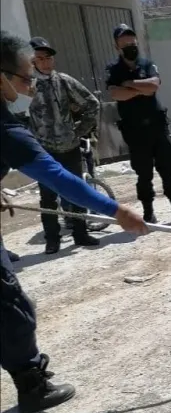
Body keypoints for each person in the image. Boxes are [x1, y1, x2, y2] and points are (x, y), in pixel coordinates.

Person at [1, 30, 148, 413]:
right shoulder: (6, 131)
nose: (30, 83)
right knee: (11, 308)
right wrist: (116, 211)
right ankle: (32, 386)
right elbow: (59, 178)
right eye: (23, 76)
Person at [106, 24, 171, 224]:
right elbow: (115, 94)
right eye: (124, 42)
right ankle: (148, 213)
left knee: (168, 170)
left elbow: (153, 86)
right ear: (117, 46)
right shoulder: (113, 69)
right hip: (135, 132)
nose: (130, 45)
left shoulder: (147, 64)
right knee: (144, 174)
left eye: (132, 41)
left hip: (157, 127)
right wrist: (140, 89)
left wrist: (129, 84)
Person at [27, 37, 101, 254]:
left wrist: (78, 131)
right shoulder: (26, 85)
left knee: (76, 190)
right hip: (43, 151)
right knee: (48, 197)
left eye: (48, 57)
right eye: (40, 58)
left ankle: (80, 233)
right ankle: (52, 239)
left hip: (69, 147)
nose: (45, 62)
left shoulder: (64, 81)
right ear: (32, 61)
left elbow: (92, 104)